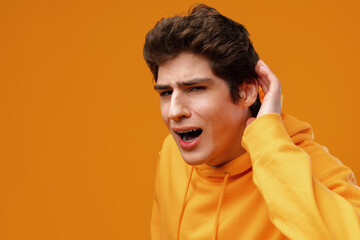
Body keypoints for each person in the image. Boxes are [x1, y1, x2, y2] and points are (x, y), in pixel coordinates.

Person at [143, 4, 360, 240]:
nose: (175, 111)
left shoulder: (310, 165)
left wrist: (268, 144)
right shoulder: (172, 154)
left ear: (246, 92)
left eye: (195, 88)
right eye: (165, 93)